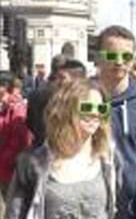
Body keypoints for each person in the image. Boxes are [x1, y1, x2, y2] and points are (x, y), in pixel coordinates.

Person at [5, 79, 120, 219]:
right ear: (66, 110)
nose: (95, 114)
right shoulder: (33, 163)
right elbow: (14, 214)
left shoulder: (108, 157)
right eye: (87, 108)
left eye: (101, 109)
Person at [97, 25, 136, 219]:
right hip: (89, 205)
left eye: (126, 57)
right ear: (98, 57)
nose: (119, 62)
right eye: (111, 55)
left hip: (132, 209)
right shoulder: (81, 99)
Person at [26, 58, 87, 148]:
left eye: (62, 78)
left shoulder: (89, 102)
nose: (57, 82)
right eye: (58, 77)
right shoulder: (53, 102)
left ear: (77, 81)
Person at [0, 71, 32, 217]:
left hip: (11, 171)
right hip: (5, 170)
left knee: (12, 211)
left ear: (6, 87)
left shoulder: (18, 109)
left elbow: (19, 143)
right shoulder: (5, 107)